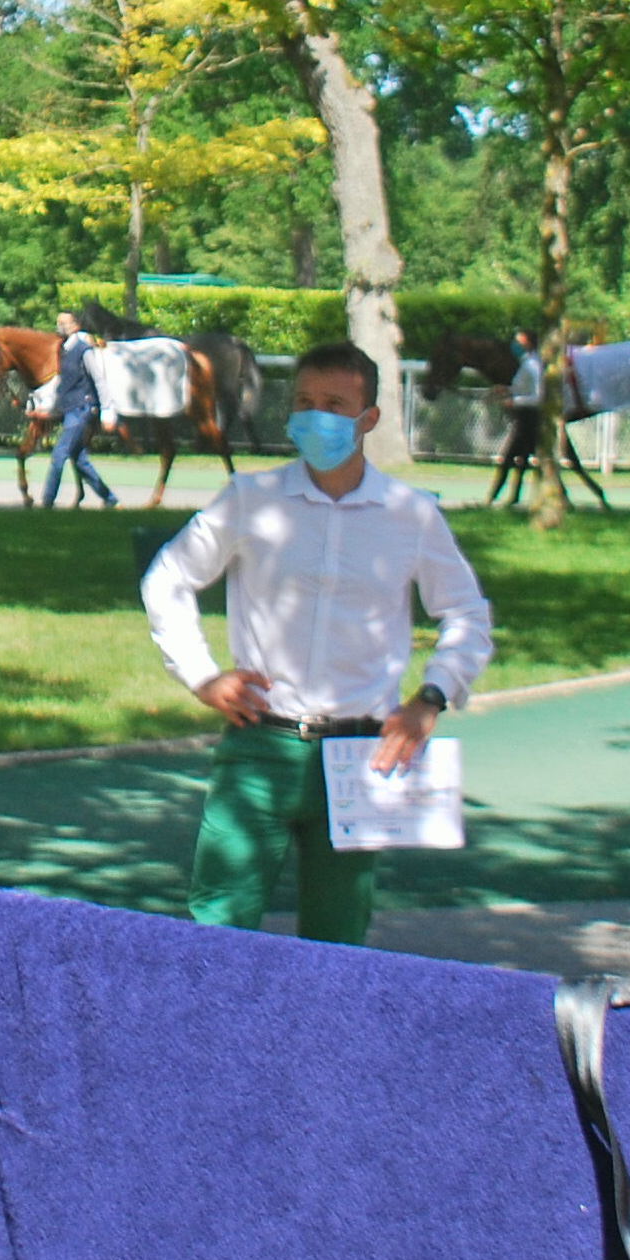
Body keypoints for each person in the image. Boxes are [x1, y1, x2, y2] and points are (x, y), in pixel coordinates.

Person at [139, 340, 495, 945]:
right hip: (261, 744)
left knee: (339, 939)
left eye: (335, 403)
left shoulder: (409, 515)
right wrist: (202, 674)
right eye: (304, 401)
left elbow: (466, 613)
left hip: (359, 757)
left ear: (369, 419)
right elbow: (168, 578)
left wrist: (430, 698)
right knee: (217, 923)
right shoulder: (251, 501)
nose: (316, 415)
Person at [44, 311, 119, 510]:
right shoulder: (64, 350)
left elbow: (99, 380)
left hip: (82, 409)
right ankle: (110, 499)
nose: (60, 327)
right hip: (70, 408)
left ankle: (47, 503)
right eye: (58, 323)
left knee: (59, 455)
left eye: (65, 323)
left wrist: (107, 411)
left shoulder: (84, 350)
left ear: (76, 326)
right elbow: (62, 383)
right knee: (79, 459)